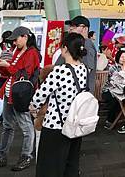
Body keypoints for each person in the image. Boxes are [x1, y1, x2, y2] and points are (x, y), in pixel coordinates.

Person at [30, 32, 88, 177]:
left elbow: (39, 96)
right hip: (74, 124)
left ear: (65, 49)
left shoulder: (60, 71)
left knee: (49, 166)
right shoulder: (83, 69)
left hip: (55, 126)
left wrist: (32, 107)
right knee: (71, 163)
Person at [0, 27, 41, 171]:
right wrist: (2, 66)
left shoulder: (32, 53)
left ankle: (26, 156)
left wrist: (8, 65)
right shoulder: (17, 51)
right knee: (8, 126)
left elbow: (24, 75)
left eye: (16, 39)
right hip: (10, 93)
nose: (14, 43)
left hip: (20, 95)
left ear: (25, 37)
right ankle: (2, 155)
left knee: (26, 127)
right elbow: (11, 74)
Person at [56, 16, 97, 93]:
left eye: (75, 26)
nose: (70, 28)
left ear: (85, 29)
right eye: (70, 26)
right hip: (67, 91)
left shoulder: (86, 44)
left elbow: (86, 70)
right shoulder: (75, 44)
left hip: (77, 95)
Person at [102, 49, 125, 129]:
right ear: (118, 58)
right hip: (110, 90)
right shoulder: (113, 68)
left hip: (122, 90)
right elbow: (118, 81)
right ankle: (109, 120)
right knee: (115, 99)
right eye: (122, 57)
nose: (124, 59)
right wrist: (124, 68)